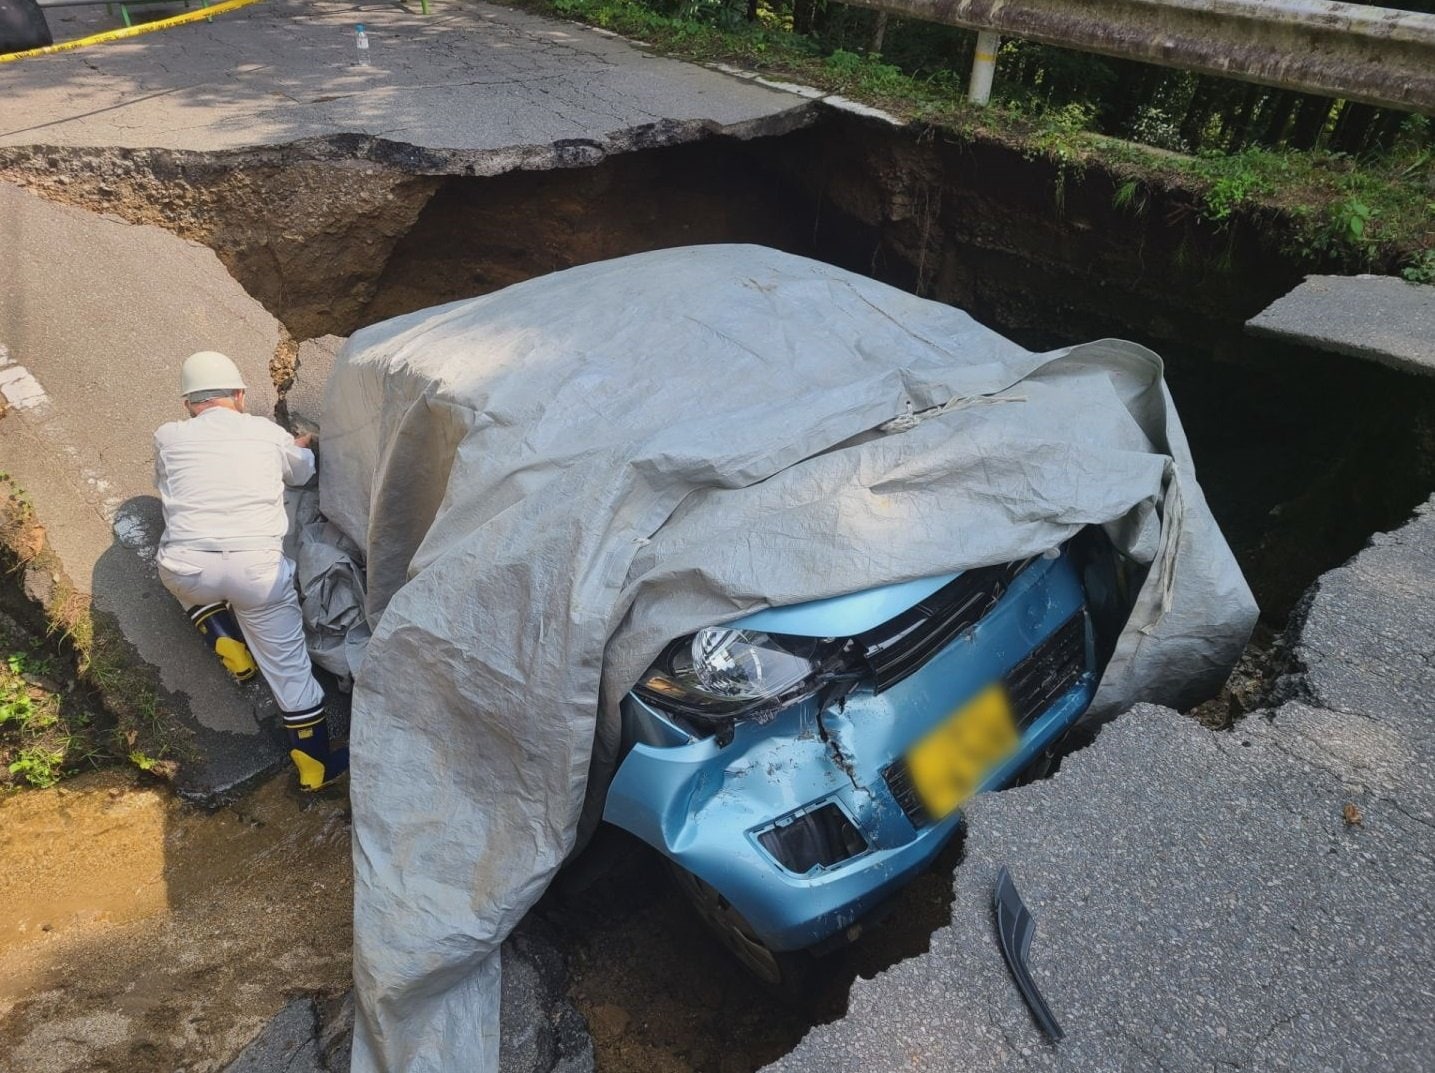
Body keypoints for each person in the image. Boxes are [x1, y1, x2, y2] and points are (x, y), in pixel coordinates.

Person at [153, 350, 348, 791]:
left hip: (189, 569)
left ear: (188, 403)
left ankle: (223, 636)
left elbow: (166, 485)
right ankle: (315, 768)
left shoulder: (168, 436)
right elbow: (301, 475)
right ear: (240, 395)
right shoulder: (264, 432)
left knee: (174, 556)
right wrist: (296, 449)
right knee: (290, 673)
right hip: (256, 574)